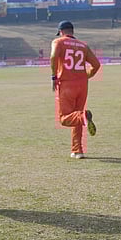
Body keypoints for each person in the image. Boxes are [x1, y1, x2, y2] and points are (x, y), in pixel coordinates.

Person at [51, 21, 100, 159]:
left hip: (66, 84)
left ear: (61, 32)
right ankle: (77, 150)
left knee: (64, 119)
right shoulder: (83, 45)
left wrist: (54, 76)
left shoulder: (58, 42)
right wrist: (86, 76)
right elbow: (96, 65)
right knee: (77, 117)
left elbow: (53, 56)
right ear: (72, 31)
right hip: (82, 85)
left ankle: (84, 116)